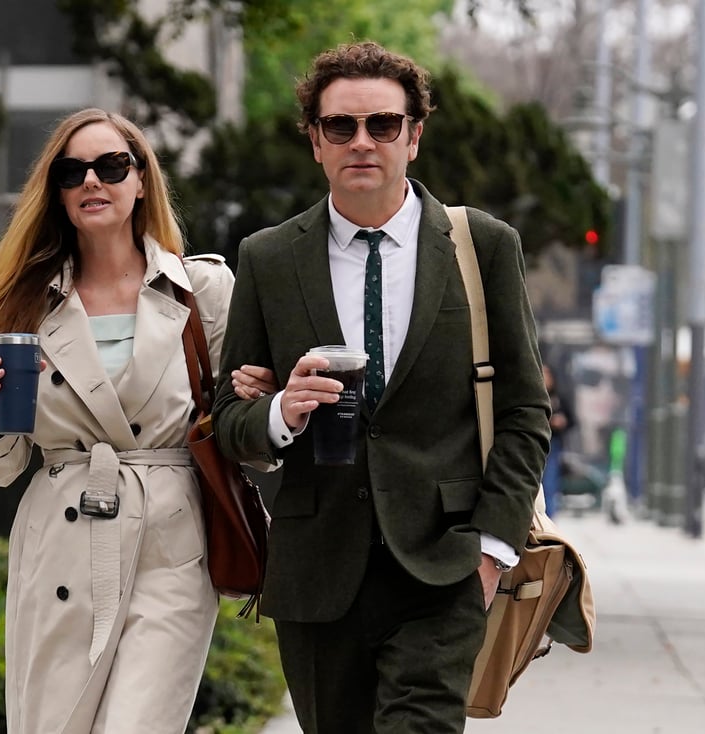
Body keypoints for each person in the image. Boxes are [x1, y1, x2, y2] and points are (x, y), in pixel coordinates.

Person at [215, 42, 551, 734]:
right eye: (341, 126)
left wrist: (492, 551)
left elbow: (524, 411)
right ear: (315, 141)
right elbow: (231, 418)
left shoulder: (481, 246)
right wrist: (280, 410)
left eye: (383, 125)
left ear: (414, 136)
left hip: (443, 567)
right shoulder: (269, 258)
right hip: (317, 572)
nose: (362, 142)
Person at [0, 107, 275, 734]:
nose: (91, 182)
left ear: (141, 181)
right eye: (72, 171)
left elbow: (245, 433)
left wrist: (261, 400)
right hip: (60, 542)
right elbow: (1, 470)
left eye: (110, 166)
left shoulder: (201, 290)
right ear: (55, 191)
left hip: (170, 542)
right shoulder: (22, 299)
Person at [541, 363, 576, 517]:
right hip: (533, 445)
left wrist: (561, 422)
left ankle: (549, 518)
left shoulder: (559, 399)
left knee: (550, 485)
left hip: (552, 444)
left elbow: (572, 420)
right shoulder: (531, 397)